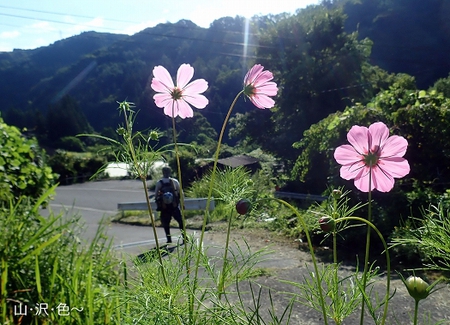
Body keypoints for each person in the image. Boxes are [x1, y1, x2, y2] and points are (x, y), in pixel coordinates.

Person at [154, 166, 185, 244]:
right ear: (170, 172)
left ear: (162, 172)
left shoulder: (159, 183)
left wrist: (159, 203)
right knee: (180, 221)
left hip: (165, 208)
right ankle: (184, 237)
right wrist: (182, 203)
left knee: (166, 223)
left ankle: (169, 239)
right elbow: (181, 193)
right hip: (174, 206)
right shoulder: (174, 181)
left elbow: (156, 195)